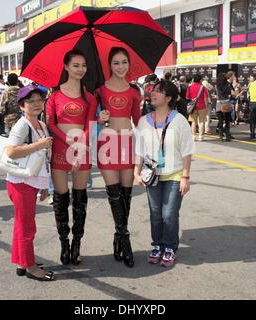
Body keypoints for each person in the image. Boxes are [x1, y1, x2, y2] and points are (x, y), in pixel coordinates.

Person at [134, 80, 195, 267]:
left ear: (168, 98)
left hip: (175, 174)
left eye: (159, 91)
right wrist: (136, 172)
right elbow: (140, 149)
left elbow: (187, 150)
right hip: (152, 175)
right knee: (155, 213)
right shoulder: (144, 121)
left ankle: (170, 247)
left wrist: (185, 177)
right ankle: (157, 245)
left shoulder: (179, 120)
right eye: (153, 90)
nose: (153, 93)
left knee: (169, 214)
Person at [46, 49, 97, 266]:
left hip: (82, 150)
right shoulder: (54, 96)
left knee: (79, 200)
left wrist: (78, 144)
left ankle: (77, 244)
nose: (80, 69)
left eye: (83, 65)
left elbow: (90, 125)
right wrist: (68, 141)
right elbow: (50, 123)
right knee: (61, 199)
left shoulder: (90, 97)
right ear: (66, 67)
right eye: (75, 65)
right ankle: (63, 244)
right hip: (59, 150)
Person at [96, 47, 141, 268]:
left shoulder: (134, 91)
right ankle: (126, 241)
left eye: (124, 62)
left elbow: (139, 123)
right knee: (114, 196)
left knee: (126, 197)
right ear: (109, 65)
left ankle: (118, 236)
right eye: (116, 63)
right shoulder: (99, 91)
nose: (120, 67)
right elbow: (90, 118)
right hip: (107, 145)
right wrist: (99, 117)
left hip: (127, 145)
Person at [6, 84, 55, 282]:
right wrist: (38, 144)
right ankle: (30, 267)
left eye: (39, 100)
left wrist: (43, 185)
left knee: (21, 225)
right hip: (20, 183)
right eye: (31, 101)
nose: (36, 104)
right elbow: (11, 151)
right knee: (27, 227)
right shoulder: (22, 125)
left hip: (31, 182)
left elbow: (43, 158)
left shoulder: (41, 125)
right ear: (21, 106)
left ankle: (21, 262)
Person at [186, 74, 208, 141]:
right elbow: (205, 98)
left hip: (193, 107)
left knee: (193, 122)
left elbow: (187, 97)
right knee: (201, 121)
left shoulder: (190, 87)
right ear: (200, 80)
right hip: (202, 106)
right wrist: (206, 106)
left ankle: (193, 136)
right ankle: (201, 137)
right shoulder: (203, 87)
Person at [215, 73, 234, 141]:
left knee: (220, 120)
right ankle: (227, 136)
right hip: (226, 103)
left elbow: (216, 95)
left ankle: (220, 135)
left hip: (219, 103)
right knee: (227, 120)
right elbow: (231, 93)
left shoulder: (217, 86)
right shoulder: (228, 85)